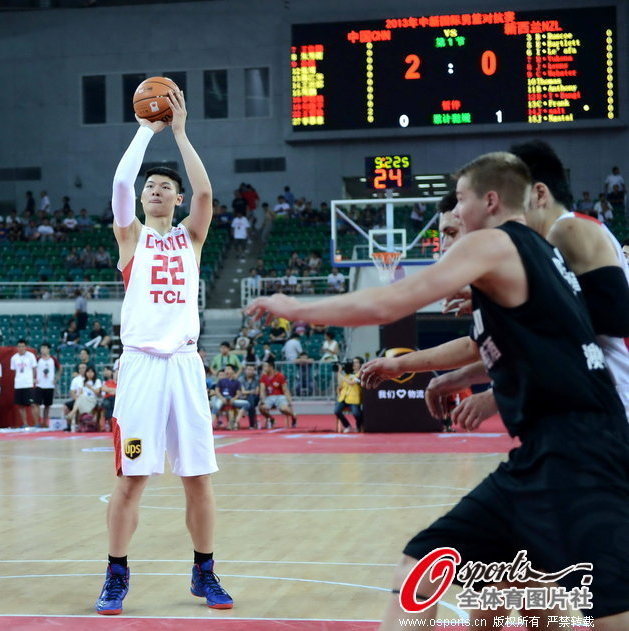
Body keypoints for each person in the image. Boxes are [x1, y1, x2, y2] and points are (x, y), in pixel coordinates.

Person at [246, 152, 629, 628]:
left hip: (581, 453)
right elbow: (525, 349)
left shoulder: (495, 242)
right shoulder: (537, 253)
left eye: (461, 201)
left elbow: (388, 303)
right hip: (548, 451)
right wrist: (458, 378)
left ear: (490, 201)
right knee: (454, 576)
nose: (454, 216)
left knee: (597, 611)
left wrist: (295, 307)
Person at [98, 88, 233, 615]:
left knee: (198, 479)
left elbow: (206, 193)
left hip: (184, 365)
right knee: (131, 479)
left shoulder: (189, 239)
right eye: (149, 186)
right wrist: (144, 130)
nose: (154, 190)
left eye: (164, 187)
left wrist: (179, 133)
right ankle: (116, 574)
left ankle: (205, 570)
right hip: (141, 366)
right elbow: (119, 183)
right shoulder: (131, 238)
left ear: (176, 200)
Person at [258, 359, 297, 429]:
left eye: (265, 366)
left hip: (280, 397)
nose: (264, 368)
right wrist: (262, 400)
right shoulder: (263, 377)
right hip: (270, 397)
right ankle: (272, 419)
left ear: (271, 367)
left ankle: (293, 416)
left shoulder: (280, 376)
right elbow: (262, 390)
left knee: (284, 409)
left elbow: (285, 390)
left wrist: (290, 402)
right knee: (261, 408)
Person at [8, 339, 37, 429]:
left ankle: (36, 423)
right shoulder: (14, 358)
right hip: (18, 384)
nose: (21, 348)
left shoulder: (31, 356)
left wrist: (34, 378)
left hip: (28, 383)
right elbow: (14, 371)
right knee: (20, 405)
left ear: (25, 347)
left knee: (32, 404)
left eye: (22, 346)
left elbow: (34, 368)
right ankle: (25, 423)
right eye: (19, 346)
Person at [334, 358, 363, 433]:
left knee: (357, 414)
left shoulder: (361, 375)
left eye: (356, 362)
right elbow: (340, 384)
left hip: (354, 399)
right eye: (353, 362)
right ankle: (347, 426)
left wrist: (340, 375)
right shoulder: (348, 375)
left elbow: (351, 382)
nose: (354, 364)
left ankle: (358, 426)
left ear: (360, 364)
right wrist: (339, 372)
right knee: (337, 411)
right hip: (343, 398)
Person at [35, 344, 57, 428]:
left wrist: (56, 379)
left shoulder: (53, 359)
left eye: (44, 348)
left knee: (47, 405)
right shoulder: (38, 359)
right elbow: (33, 368)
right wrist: (34, 378)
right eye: (41, 348)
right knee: (36, 404)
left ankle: (45, 422)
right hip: (39, 385)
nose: (42, 349)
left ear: (48, 349)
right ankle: (37, 422)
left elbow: (60, 368)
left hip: (49, 385)